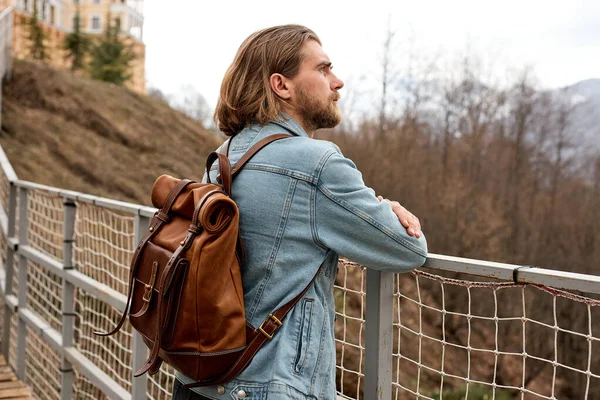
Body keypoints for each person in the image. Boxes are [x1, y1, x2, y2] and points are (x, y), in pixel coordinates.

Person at [172, 24, 428, 400]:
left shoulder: (224, 155)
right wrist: (388, 208)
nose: (337, 82)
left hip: (201, 380)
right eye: (323, 69)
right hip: (268, 388)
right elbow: (407, 251)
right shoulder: (317, 163)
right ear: (282, 85)